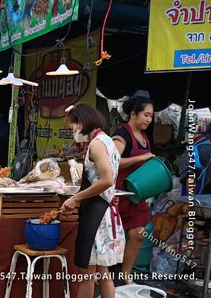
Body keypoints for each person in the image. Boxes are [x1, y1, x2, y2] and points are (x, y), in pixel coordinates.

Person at [61, 104, 124, 298]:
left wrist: (76, 198)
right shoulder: (106, 140)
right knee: (103, 272)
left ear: (81, 123)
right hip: (105, 212)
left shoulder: (97, 144)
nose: (73, 132)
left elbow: (106, 179)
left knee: (86, 274)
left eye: (72, 127)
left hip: (97, 216)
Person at [112, 90, 154, 284]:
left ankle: (126, 275)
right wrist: (142, 157)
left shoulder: (145, 136)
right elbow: (113, 161)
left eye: (151, 116)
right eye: (146, 115)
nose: (149, 119)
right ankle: (99, 273)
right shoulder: (121, 134)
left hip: (137, 194)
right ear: (134, 114)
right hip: (118, 193)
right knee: (111, 236)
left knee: (137, 233)